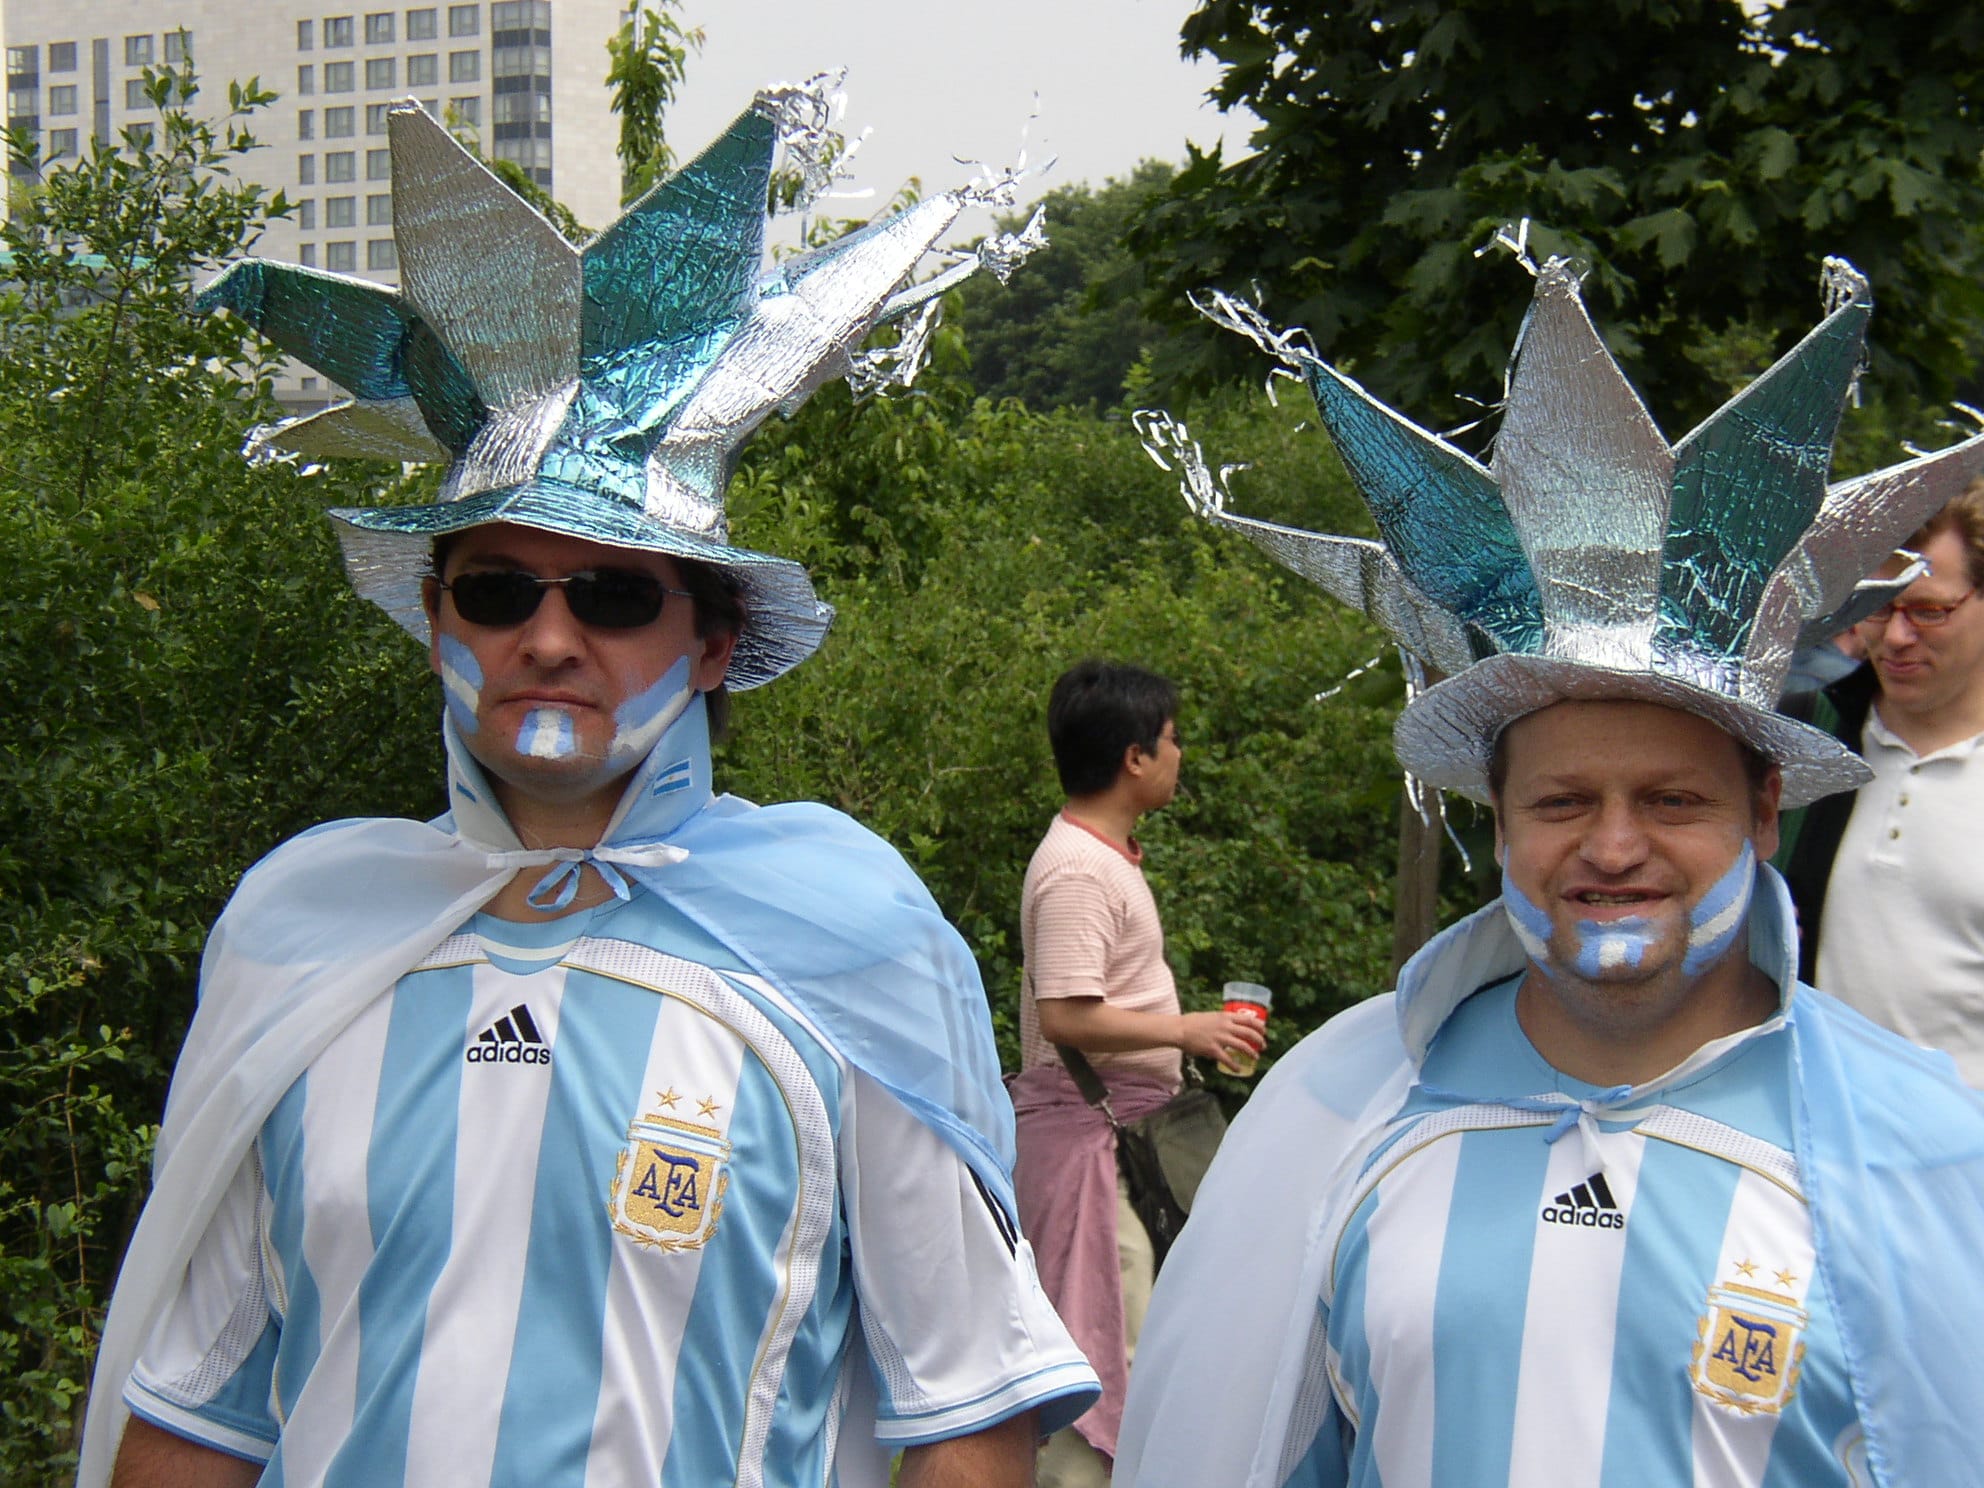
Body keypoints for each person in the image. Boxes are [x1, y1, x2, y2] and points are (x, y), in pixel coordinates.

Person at [80, 94, 1096, 1488]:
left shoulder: (846, 949)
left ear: (714, 640)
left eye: (615, 594)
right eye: (498, 590)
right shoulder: (303, 936)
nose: (549, 639)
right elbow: (199, 1412)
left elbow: (971, 1404)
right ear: (439, 623)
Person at [1118, 258, 1984, 1487]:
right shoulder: (1341, 1113)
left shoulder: (1921, 1152)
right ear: (1503, 821)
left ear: (1763, 812)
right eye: (1562, 801)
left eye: (1672, 800)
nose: (1613, 846)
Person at [1008, 661, 1264, 1487]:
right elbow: (1066, 1016)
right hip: (1090, 1145)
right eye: (1172, 738)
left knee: (1128, 1339)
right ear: (1134, 758)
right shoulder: (1080, 871)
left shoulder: (1102, 856)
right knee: (1100, 1349)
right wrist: (1186, 1030)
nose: (1180, 753)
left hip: (1117, 1139)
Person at [1776, 482, 1984, 1081]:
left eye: (1928, 610)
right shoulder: (1803, 736)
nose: (1895, 637)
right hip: (1818, 1140)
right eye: (1877, 607)